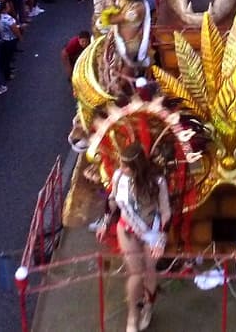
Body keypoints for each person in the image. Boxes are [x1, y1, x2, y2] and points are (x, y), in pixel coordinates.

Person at [97, 142, 170, 332]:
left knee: (150, 269)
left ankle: (148, 305)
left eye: (124, 166)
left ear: (135, 167)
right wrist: (105, 222)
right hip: (127, 227)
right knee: (136, 273)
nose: (120, 169)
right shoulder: (119, 176)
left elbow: (165, 212)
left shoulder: (157, 181)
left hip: (151, 231)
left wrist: (161, 240)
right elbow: (112, 201)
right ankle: (132, 315)